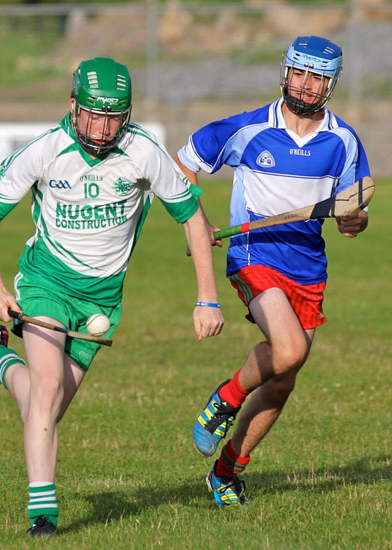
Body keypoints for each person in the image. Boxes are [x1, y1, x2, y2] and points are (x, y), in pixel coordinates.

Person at [0, 56, 224, 536]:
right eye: (93, 114)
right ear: (72, 106)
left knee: (47, 406)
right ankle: (44, 516)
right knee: (46, 390)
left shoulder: (142, 151)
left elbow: (189, 215)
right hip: (46, 284)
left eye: (113, 117)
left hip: (101, 301)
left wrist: (207, 297)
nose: (102, 128)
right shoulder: (45, 151)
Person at [174, 35, 371, 507]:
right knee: (287, 348)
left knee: (284, 376)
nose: (306, 86)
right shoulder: (247, 129)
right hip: (253, 255)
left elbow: (355, 211)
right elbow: (185, 164)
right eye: (300, 73)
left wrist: (353, 219)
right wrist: (196, 222)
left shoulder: (342, 141)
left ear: (331, 84)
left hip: (307, 267)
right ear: (285, 73)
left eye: (318, 78)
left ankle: (227, 472)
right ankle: (223, 399)